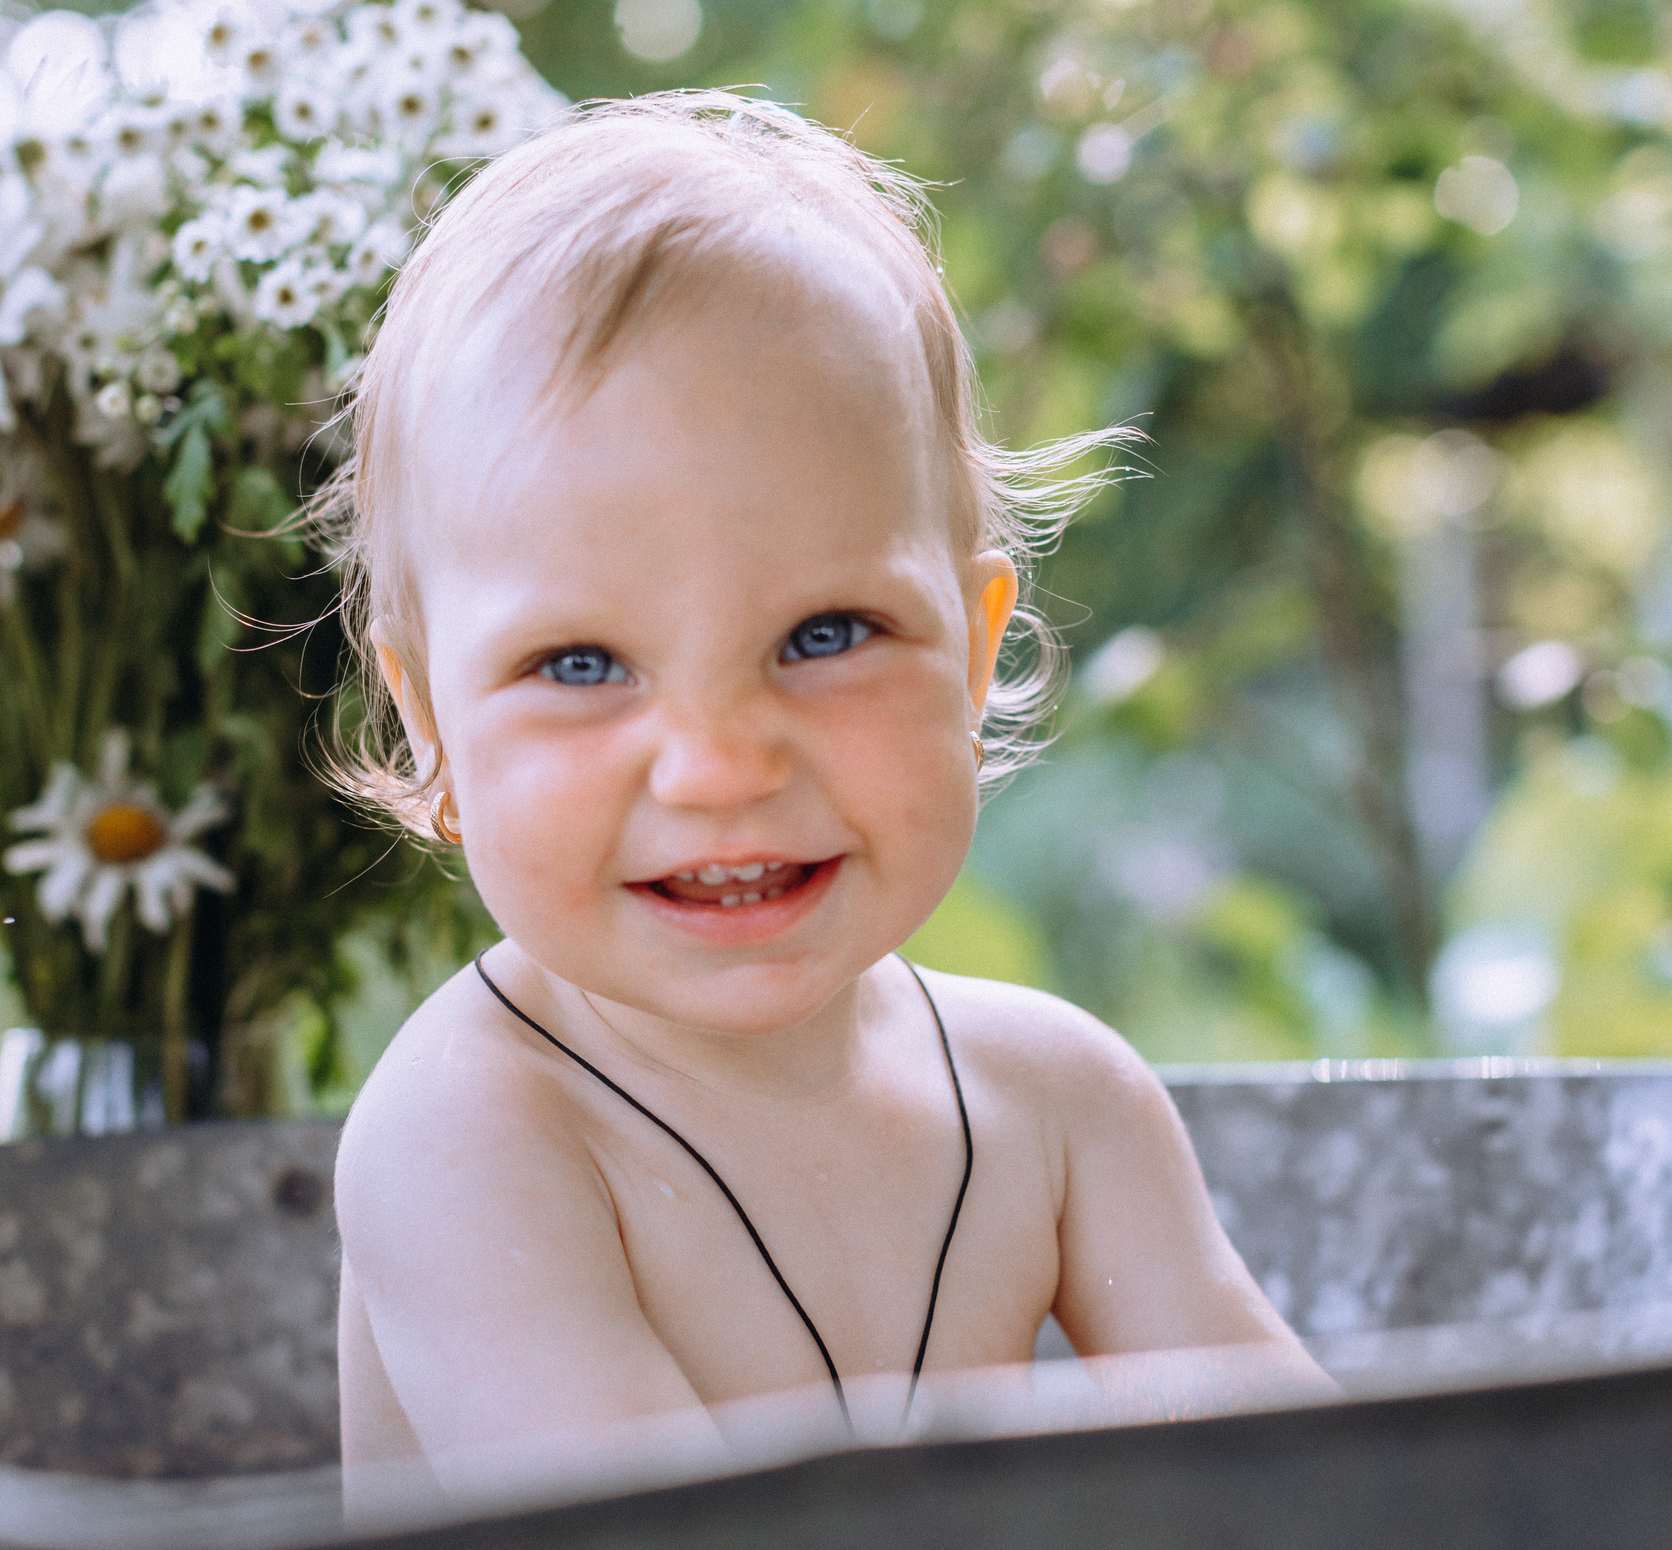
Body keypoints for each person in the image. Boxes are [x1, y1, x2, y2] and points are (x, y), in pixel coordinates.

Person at [323, 90, 1333, 1495]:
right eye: (581, 663)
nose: (722, 767)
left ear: (976, 655)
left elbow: (1334, 1494)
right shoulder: (475, 1134)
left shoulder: (1058, 1104)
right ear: (433, 722)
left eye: (824, 636)